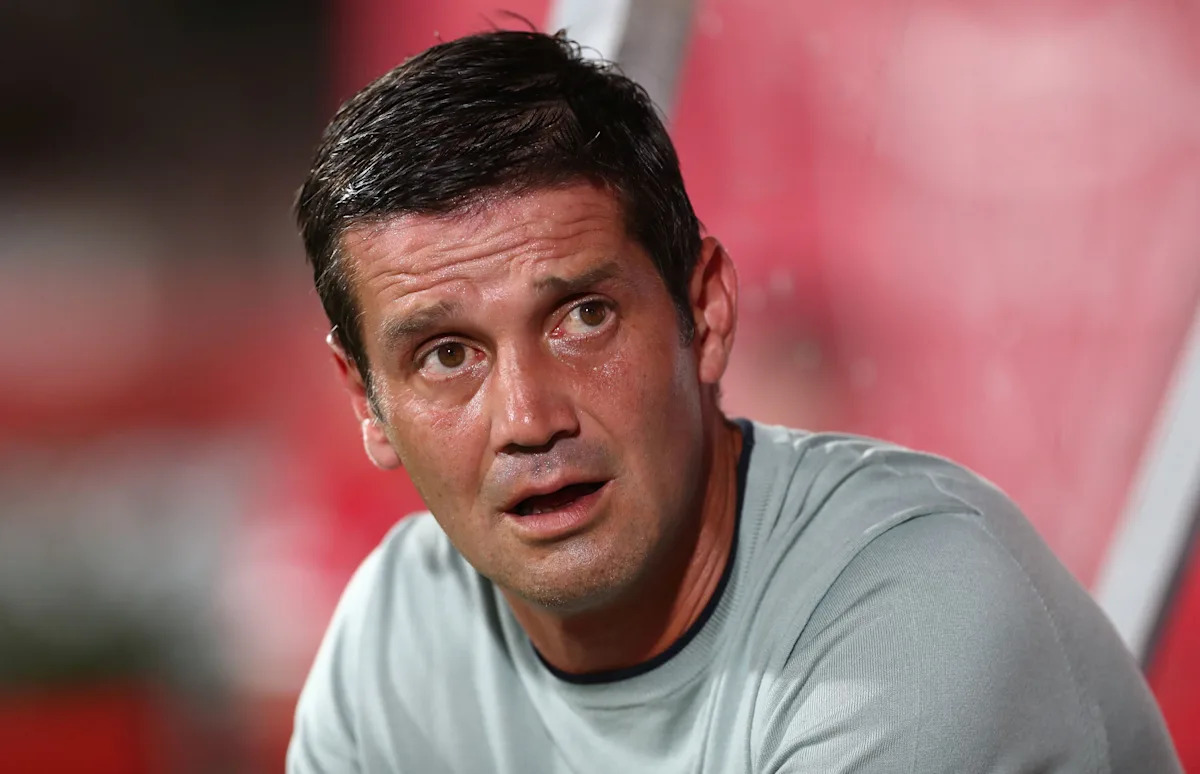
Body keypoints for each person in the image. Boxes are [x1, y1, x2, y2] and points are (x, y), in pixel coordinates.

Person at [287, 28, 1181, 773]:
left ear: (706, 309)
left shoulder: (915, 617)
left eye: (583, 317)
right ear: (366, 399)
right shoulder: (397, 634)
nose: (528, 419)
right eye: (447, 356)